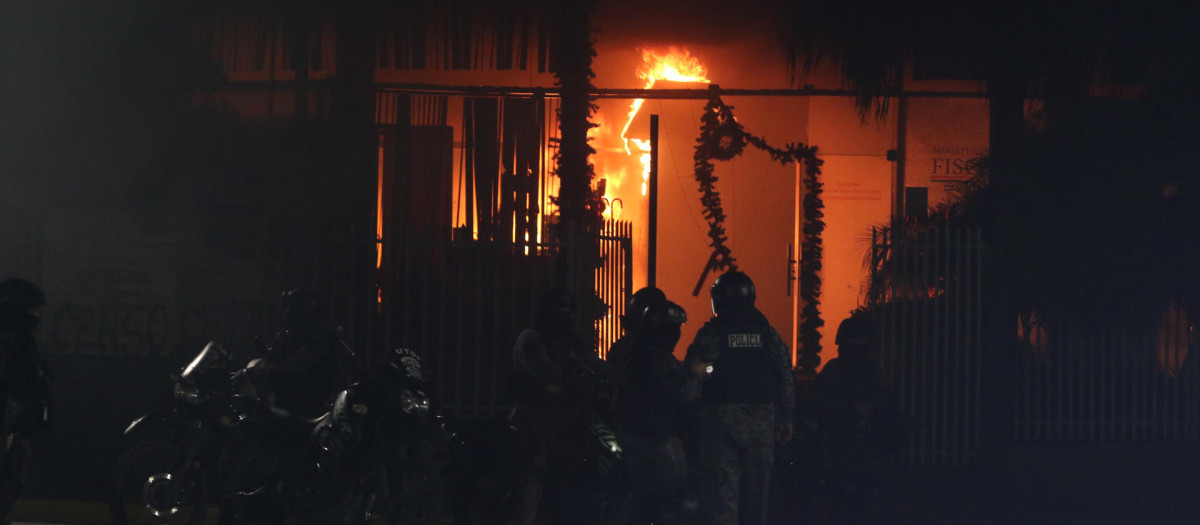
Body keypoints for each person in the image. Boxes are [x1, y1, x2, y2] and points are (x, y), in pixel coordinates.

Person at [684, 270, 794, 525]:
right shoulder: (768, 334)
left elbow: (693, 371)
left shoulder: (713, 334)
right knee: (756, 499)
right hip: (762, 426)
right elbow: (784, 377)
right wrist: (787, 417)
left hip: (721, 425)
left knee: (722, 500)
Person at [510, 288, 616, 525]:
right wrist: (569, 379)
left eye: (569, 312)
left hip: (566, 415)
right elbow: (541, 370)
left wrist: (614, 373)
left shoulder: (570, 342)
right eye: (561, 312)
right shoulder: (532, 339)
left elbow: (590, 362)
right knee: (535, 471)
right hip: (536, 413)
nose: (566, 317)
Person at [613, 297, 699, 525]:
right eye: (675, 328)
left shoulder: (636, 353)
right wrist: (697, 374)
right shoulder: (658, 359)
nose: (678, 334)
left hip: (635, 436)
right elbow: (684, 391)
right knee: (673, 500)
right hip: (657, 441)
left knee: (642, 503)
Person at [815, 314, 904, 525]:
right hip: (842, 445)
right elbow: (822, 405)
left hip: (861, 449)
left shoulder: (871, 376)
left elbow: (889, 416)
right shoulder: (836, 373)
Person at [0, 279, 52, 523]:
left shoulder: (20, 340)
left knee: (16, 472)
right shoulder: (9, 340)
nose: (37, 317)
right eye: (32, 310)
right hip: (10, 423)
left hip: (17, 425)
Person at [258, 289, 356, 419]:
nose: (285, 314)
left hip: (307, 406)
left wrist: (277, 369)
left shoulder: (320, 338)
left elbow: (301, 361)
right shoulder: (287, 335)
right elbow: (272, 356)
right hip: (285, 402)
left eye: (290, 309)